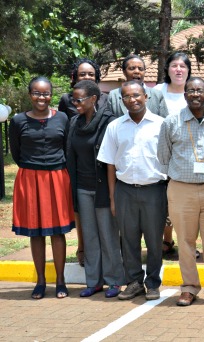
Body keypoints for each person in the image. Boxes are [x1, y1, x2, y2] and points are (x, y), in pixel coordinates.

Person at [158, 77, 204, 307]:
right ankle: (189, 288)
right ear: (185, 94)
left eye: (200, 90)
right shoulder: (171, 122)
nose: (195, 94)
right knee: (186, 241)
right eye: (191, 90)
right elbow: (163, 157)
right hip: (181, 189)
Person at [97, 81, 168, 301]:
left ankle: (153, 283)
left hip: (155, 190)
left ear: (146, 96)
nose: (132, 100)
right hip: (124, 191)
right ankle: (135, 282)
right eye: (127, 96)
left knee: (154, 240)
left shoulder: (162, 124)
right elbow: (109, 163)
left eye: (136, 95)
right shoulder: (115, 126)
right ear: (122, 100)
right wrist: (112, 197)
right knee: (128, 240)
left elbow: (170, 159)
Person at [9, 76, 75, 299]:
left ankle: (60, 280)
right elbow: (16, 152)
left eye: (46, 93)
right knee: (35, 233)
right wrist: (33, 169)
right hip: (29, 178)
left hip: (57, 177)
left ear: (51, 95)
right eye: (37, 93)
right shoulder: (18, 121)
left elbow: (67, 149)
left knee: (57, 231)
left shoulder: (63, 118)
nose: (41, 97)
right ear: (30, 95)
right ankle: (40, 281)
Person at [66, 80, 125, 298]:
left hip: (103, 187)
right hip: (82, 187)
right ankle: (94, 281)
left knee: (109, 235)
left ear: (93, 99)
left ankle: (115, 280)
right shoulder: (74, 123)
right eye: (73, 99)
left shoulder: (109, 122)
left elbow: (114, 158)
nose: (75, 103)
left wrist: (113, 194)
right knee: (89, 237)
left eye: (79, 99)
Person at [58, 58, 109, 267]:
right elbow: (62, 129)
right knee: (81, 211)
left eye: (90, 74)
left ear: (97, 77)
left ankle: (106, 253)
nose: (87, 77)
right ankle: (82, 247)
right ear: (74, 77)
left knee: (104, 213)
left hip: (101, 162)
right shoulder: (66, 99)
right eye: (82, 74)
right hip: (77, 161)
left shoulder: (106, 99)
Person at [153, 52, 192, 258]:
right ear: (167, 69)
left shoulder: (194, 91)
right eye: (174, 65)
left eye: (183, 66)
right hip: (163, 157)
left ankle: (188, 245)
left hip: (188, 158)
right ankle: (166, 240)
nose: (178, 69)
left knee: (185, 204)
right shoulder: (157, 91)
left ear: (188, 70)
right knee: (164, 201)